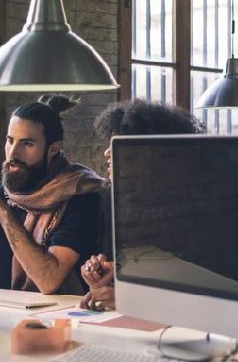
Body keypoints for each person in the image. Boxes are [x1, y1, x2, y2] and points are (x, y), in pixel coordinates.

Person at [79, 100, 205, 311]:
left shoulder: (191, 211)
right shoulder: (115, 201)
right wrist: (103, 282)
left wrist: (128, 299)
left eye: (117, 144)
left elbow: (204, 297)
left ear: (152, 154)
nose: (106, 153)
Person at [0, 95, 107, 295]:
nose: (13, 154)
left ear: (53, 149)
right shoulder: (1, 193)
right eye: (10, 141)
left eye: (27, 144)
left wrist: (2, 213)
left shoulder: (80, 196)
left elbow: (48, 279)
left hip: (60, 317)